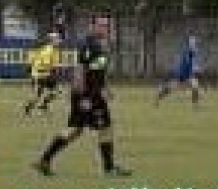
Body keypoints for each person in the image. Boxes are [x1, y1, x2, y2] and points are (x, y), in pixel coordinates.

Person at [33, 16, 132, 177]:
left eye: (107, 26)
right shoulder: (89, 44)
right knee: (105, 127)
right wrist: (83, 96)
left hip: (93, 93)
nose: (105, 28)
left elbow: (99, 70)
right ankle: (109, 169)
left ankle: (44, 160)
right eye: (101, 25)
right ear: (92, 26)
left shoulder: (100, 45)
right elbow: (80, 69)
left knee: (75, 130)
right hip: (88, 94)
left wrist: (105, 87)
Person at [154, 35, 202, 108]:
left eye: (194, 42)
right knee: (170, 89)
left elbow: (192, 62)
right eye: (192, 42)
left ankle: (195, 105)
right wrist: (196, 67)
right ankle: (158, 99)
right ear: (189, 43)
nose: (194, 44)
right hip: (181, 74)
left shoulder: (194, 51)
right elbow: (188, 61)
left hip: (189, 74)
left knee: (195, 87)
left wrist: (195, 67)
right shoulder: (187, 51)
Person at [24, 32, 62, 116]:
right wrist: (55, 72)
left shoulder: (42, 48)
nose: (58, 41)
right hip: (42, 73)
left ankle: (41, 106)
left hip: (39, 73)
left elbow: (32, 60)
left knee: (53, 91)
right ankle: (34, 107)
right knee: (53, 91)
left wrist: (30, 69)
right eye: (57, 39)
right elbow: (50, 64)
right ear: (52, 40)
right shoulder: (52, 50)